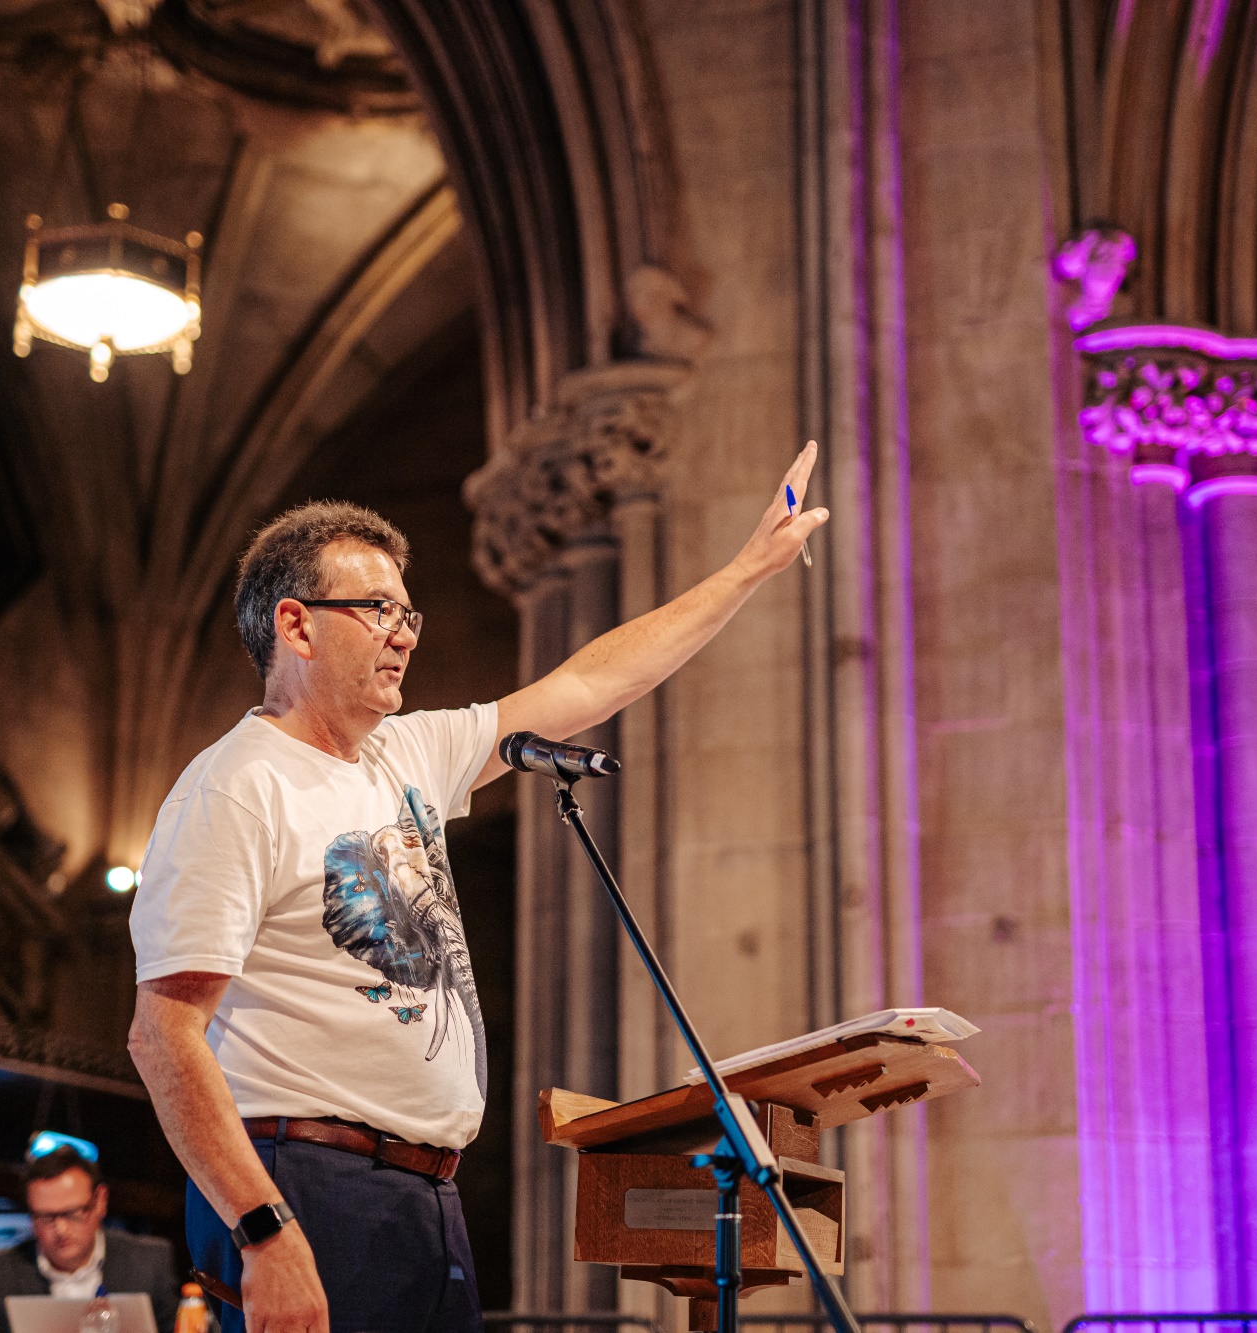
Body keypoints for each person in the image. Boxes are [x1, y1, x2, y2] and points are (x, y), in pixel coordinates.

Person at [126, 444, 830, 1333]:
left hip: (424, 1191)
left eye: (407, 610)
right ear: (296, 626)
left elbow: (587, 682)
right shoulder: (235, 787)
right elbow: (163, 1035)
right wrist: (264, 1229)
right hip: (305, 1183)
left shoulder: (406, 752)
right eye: (377, 608)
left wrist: (742, 573)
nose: (405, 631)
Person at [0, 1141, 181, 1333]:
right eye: (46, 1217)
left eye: (72, 1214)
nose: (60, 1230)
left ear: (100, 1202)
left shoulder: (149, 1263)